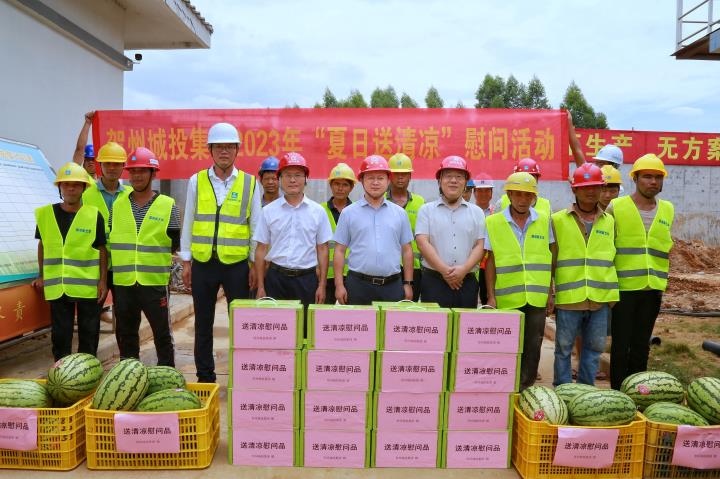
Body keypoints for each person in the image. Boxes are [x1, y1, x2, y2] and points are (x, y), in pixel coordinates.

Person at [179, 122, 261, 383]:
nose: (224, 151)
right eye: (219, 147)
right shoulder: (197, 181)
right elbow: (189, 220)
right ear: (210, 150)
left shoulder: (250, 183)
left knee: (241, 324)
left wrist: (253, 265)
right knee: (203, 323)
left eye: (229, 146)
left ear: (237, 150)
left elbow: (256, 227)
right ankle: (205, 377)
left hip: (237, 266)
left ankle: (243, 376)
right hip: (204, 263)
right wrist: (186, 261)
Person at [108, 147, 180, 367]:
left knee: (162, 334)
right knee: (126, 334)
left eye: (142, 170)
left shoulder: (168, 205)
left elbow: (174, 243)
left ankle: (166, 374)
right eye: (133, 171)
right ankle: (129, 375)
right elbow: (111, 241)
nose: (137, 175)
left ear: (153, 173)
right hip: (124, 283)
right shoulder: (117, 205)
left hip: (154, 283)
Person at [485, 172, 556, 390]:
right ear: (509, 195)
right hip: (507, 297)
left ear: (534, 197)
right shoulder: (493, 222)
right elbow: (491, 261)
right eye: (517, 194)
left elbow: (551, 256)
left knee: (533, 345)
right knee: (506, 346)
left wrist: (550, 292)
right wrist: (491, 296)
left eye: (528, 195)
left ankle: (525, 390)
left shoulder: (544, 220)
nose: (523, 200)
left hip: (536, 296)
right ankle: (505, 389)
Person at [608, 154, 673, 390]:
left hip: (652, 289)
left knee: (641, 345)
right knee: (620, 345)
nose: (653, 182)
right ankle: (618, 392)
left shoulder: (668, 209)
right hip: (623, 290)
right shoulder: (616, 207)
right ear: (635, 179)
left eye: (657, 177)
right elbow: (606, 250)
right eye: (647, 176)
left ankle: (638, 392)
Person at [551, 163, 618, 386]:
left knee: (594, 349)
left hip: (599, 298)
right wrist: (550, 292)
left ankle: (586, 391)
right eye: (585, 187)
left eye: (596, 186)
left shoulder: (609, 222)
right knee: (563, 348)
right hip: (569, 298)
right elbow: (552, 259)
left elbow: (612, 257)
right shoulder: (558, 220)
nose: (591, 191)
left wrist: (612, 297)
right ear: (575, 189)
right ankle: (562, 390)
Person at [33, 162, 107, 360]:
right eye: (66, 184)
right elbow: (42, 246)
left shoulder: (94, 215)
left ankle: (88, 370)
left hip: (87, 286)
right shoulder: (46, 214)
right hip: (58, 285)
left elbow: (101, 249)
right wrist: (41, 275)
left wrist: (103, 281)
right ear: (60, 187)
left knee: (89, 332)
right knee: (60, 335)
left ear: (83, 188)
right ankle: (62, 371)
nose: (71, 188)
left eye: (76, 184)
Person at [333, 155, 414, 305]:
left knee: (390, 321)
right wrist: (339, 285)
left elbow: (407, 250)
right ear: (361, 180)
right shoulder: (348, 213)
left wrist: (408, 283)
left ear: (388, 181)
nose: (375, 182)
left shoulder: (400, 213)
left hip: (392, 286)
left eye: (380, 178)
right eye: (370, 178)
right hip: (358, 286)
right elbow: (339, 250)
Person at [254, 152, 332, 308]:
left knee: (305, 322)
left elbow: (323, 249)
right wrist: (261, 286)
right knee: (277, 322)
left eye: (298, 175)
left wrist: (322, 285)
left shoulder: (318, 212)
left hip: (307, 280)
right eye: (287, 175)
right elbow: (261, 249)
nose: (292, 180)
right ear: (280, 178)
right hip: (275, 279)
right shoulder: (268, 211)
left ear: (306, 178)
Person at [415, 156, 485, 308]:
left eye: (459, 177)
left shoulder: (477, 212)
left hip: (466, 282)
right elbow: (422, 243)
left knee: (464, 323)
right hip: (433, 282)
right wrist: (445, 271)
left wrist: (463, 270)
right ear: (439, 181)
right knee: (434, 323)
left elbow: (480, 246)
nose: (453, 180)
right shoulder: (426, 210)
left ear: (465, 182)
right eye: (448, 176)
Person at [82, 141, 133, 296]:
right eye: (107, 163)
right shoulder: (85, 194)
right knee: (92, 310)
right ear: (100, 165)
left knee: (124, 310)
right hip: (94, 266)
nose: (111, 168)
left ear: (123, 166)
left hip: (123, 266)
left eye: (116, 164)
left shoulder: (132, 195)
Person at [386, 153, 425, 301]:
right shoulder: (380, 201)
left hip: (415, 268)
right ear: (389, 176)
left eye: (404, 174)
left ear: (410, 176)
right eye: (396, 174)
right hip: (388, 266)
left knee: (409, 309)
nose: (400, 177)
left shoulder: (420, 203)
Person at [322, 162, 356, 304]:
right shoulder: (320, 211)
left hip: (352, 275)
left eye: (345, 185)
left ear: (351, 187)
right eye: (336, 184)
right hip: (325, 275)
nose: (340, 188)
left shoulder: (358, 212)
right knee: (323, 315)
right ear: (331, 185)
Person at [73, 111, 97, 178]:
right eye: (88, 159)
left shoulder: (103, 180)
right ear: (83, 163)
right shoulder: (78, 176)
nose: (90, 162)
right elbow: (79, 149)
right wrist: (87, 123)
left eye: (93, 159)